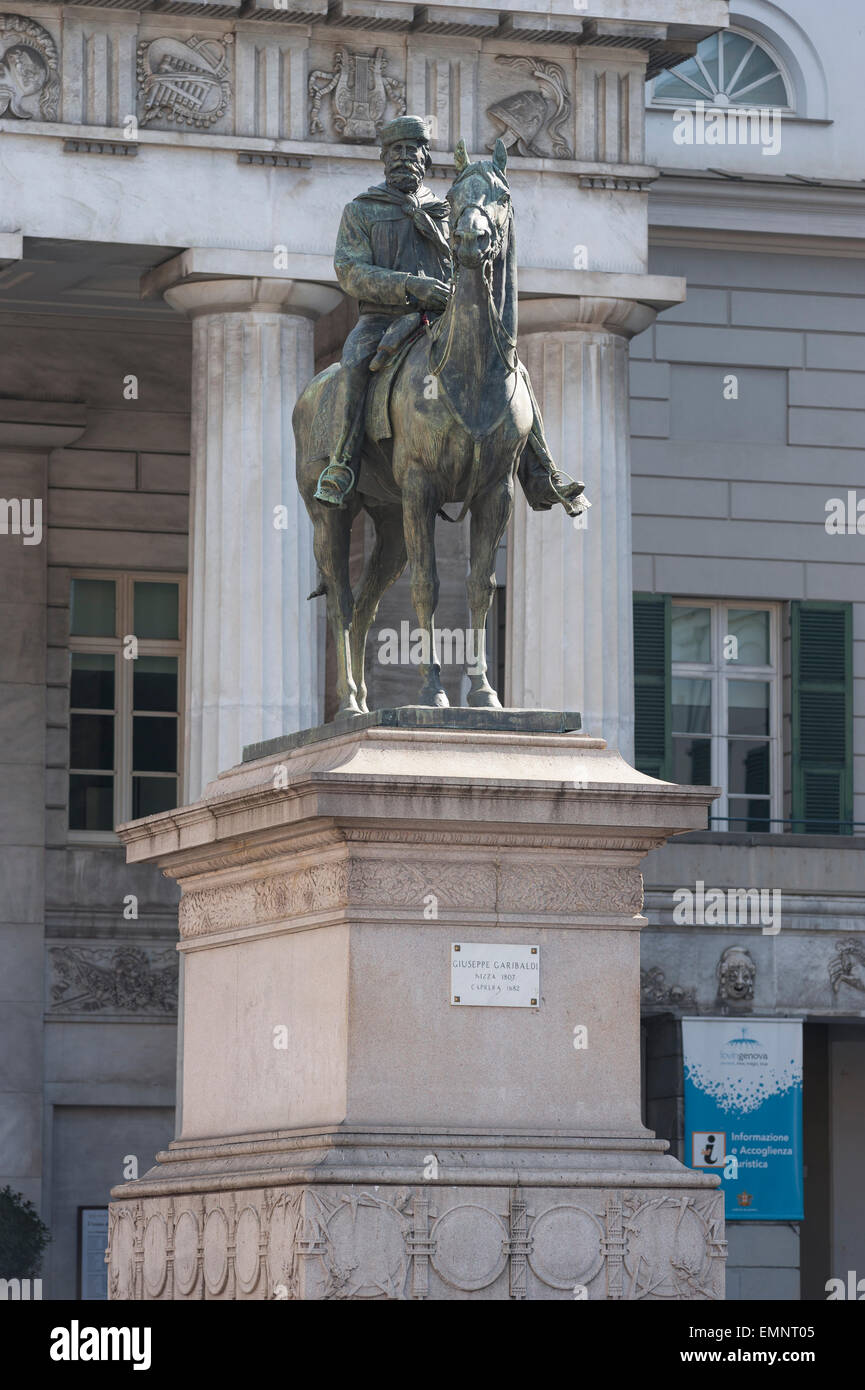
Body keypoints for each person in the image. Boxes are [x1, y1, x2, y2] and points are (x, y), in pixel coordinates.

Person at [314, 114, 584, 517]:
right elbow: (351, 272)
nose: (405, 158)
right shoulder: (362, 211)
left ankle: (541, 471)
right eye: (396, 151)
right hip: (383, 320)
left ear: (426, 157)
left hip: (442, 320)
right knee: (353, 365)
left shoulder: (447, 212)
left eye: (413, 150)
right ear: (384, 158)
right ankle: (342, 463)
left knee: (513, 369)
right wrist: (410, 285)